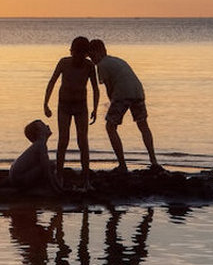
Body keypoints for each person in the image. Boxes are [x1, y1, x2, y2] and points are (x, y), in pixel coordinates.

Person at [88, 39, 161, 173]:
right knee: (143, 125)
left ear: (100, 52)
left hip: (122, 93)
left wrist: (110, 103)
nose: (92, 60)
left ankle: (122, 164)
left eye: (92, 56)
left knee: (110, 127)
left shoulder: (102, 65)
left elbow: (109, 89)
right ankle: (154, 161)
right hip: (138, 91)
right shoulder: (117, 60)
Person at [43, 35, 100, 189]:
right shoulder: (64, 62)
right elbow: (52, 82)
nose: (78, 57)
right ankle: (59, 176)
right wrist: (46, 104)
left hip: (81, 106)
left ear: (86, 54)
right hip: (64, 105)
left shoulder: (89, 66)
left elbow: (95, 88)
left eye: (81, 54)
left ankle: (86, 179)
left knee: (83, 142)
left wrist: (95, 108)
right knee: (63, 141)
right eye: (75, 53)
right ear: (72, 51)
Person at [9, 119, 63, 192]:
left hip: (17, 177)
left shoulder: (38, 145)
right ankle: (52, 188)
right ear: (39, 132)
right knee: (50, 165)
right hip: (19, 179)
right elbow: (46, 168)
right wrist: (55, 188)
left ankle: (53, 186)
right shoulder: (40, 144)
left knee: (49, 165)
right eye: (43, 125)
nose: (47, 126)